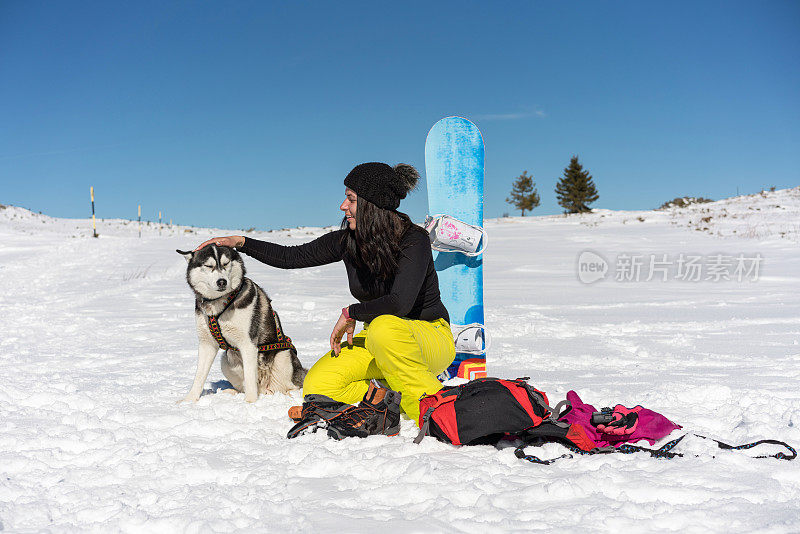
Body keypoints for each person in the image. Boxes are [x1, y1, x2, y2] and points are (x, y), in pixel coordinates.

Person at [195, 162, 455, 437]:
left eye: (351, 199)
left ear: (372, 204)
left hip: (428, 337)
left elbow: (400, 303)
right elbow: (290, 257)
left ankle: (434, 411)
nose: (343, 206)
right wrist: (240, 242)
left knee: (383, 327)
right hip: (381, 342)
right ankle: (391, 396)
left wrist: (352, 312)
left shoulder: (413, 239)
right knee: (318, 384)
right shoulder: (348, 241)